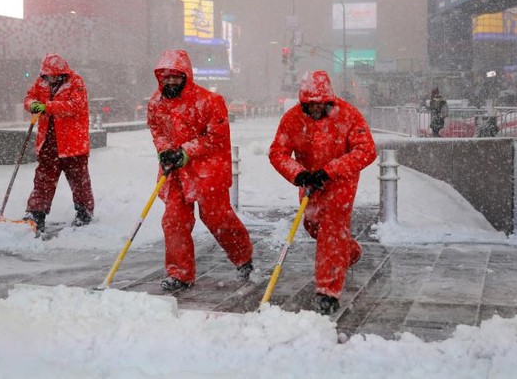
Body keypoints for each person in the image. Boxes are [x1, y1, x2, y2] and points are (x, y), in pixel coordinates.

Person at [269, 70, 377, 315]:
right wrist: (298, 174)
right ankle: (348, 251)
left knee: (331, 231)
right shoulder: (292, 119)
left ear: (329, 100)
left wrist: (330, 171)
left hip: (340, 183)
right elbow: (278, 153)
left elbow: (366, 150)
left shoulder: (348, 115)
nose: (316, 109)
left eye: (321, 104)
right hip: (310, 183)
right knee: (312, 226)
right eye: (310, 105)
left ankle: (328, 291)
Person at [147, 49, 254, 292]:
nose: (171, 81)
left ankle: (243, 257)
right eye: (166, 76)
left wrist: (186, 151)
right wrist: (164, 150)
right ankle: (180, 273)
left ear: (186, 76)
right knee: (174, 221)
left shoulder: (210, 101)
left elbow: (216, 137)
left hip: (207, 170)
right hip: (174, 171)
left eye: (176, 76)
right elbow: (157, 130)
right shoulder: (156, 103)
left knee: (218, 219)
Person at [22, 54, 94, 232]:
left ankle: (84, 212)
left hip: (73, 143)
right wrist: (32, 105)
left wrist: (47, 107)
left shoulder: (76, 83)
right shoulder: (41, 83)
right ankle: (36, 213)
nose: (51, 79)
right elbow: (29, 98)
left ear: (63, 74)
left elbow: (74, 106)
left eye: (55, 76)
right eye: (48, 76)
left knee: (79, 181)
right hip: (49, 142)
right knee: (43, 180)